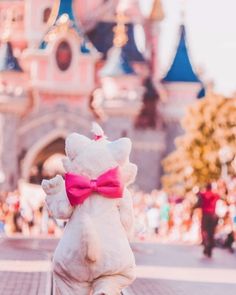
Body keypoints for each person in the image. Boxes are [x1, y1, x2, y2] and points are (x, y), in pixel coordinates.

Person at [193, 183, 220, 257]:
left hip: (205, 215)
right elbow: (220, 196)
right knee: (211, 232)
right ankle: (210, 246)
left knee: (204, 231)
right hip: (213, 215)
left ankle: (206, 245)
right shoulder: (215, 195)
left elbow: (198, 199)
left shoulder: (203, 194)